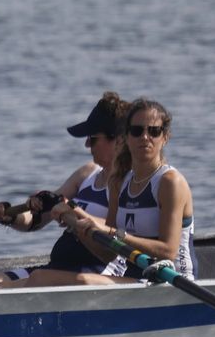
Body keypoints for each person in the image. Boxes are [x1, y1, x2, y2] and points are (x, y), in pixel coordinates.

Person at [0, 92, 127, 290]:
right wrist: (11, 217)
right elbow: (37, 220)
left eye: (93, 138)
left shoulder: (129, 183)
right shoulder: (87, 173)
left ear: (118, 140)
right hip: (57, 268)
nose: (86, 145)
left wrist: (71, 214)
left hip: (97, 272)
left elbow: (114, 233)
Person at [58, 97, 196, 283]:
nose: (145, 137)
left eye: (154, 131)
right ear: (126, 138)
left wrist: (116, 234)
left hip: (174, 281)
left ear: (165, 138)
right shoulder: (118, 182)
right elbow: (108, 254)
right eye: (137, 131)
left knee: (84, 281)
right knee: (54, 278)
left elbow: (168, 252)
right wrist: (79, 228)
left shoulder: (170, 182)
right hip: (136, 279)